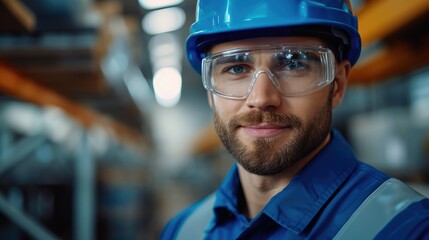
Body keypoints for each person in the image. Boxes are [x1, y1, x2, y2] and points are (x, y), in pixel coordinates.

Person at [160, 0, 429, 239]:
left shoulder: (409, 229)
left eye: (294, 64)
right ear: (210, 93)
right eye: (237, 68)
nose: (262, 97)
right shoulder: (182, 230)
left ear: (337, 85)